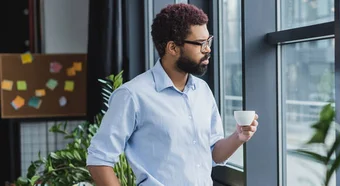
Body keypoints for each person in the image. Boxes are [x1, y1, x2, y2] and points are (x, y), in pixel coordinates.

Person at [86, 4, 258, 186]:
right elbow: (99, 160)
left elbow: (213, 153)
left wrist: (238, 137)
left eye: (209, 41)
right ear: (173, 48)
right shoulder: (133, 95)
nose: (208, 49)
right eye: (201, 44)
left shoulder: (203, 91)